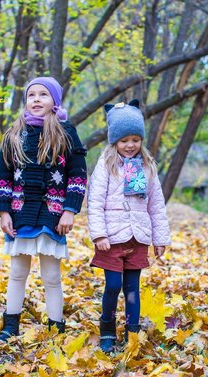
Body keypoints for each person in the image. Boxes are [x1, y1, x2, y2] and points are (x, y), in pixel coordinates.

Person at [0, 77, 87, 344]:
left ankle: (56, 330)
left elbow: (78, 176)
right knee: (17, 272)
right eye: (31, 94)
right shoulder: (14, 134)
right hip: (20, 212)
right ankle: (10, 326)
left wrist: (70, 210)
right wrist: (4, 211)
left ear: (54, 101)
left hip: (52, 213)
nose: (36, 99)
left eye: (43, 94)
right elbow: (3, 175)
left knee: (52, 276)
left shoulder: (66, 133)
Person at [87, 99, 171, 353]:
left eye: (135, 139)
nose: (130, 145)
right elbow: (95, 201)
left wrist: (160, 238)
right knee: (113, 286)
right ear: (115, 141)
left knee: (132, 289)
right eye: (124, 140)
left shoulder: (146, 166)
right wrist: (99, 233)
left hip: (138, 236)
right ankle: (107, 331)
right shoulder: (106, 164)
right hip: (111, 237)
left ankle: (132, 332)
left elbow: (156, 204)